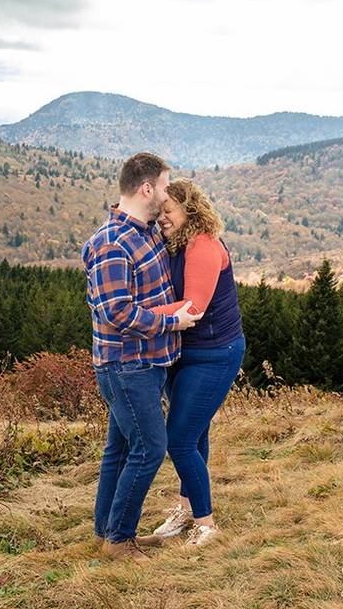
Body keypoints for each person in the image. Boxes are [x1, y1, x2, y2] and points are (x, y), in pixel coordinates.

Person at [82, 153, 203, 562]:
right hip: (125, 366)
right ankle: (120, 541)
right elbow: (116, 312)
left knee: (119, 450)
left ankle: (106, 532)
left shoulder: (147, 232)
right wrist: (172, 324)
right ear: (147, 188)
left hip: (148, 364)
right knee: (150, 448)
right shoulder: (110, 244)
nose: (169, 193)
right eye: (166, 186)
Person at [149, 178, 245, 548]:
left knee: (180, 438)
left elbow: (194, 308)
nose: (162, 218)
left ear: (189, 210)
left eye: (168, 211)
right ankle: (188, 507)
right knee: (195, 434)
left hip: (214, 354)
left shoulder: (203, 246)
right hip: (183, 352)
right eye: (159, 212)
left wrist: (136, 315)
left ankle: (205, 523)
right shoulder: (174, 243)